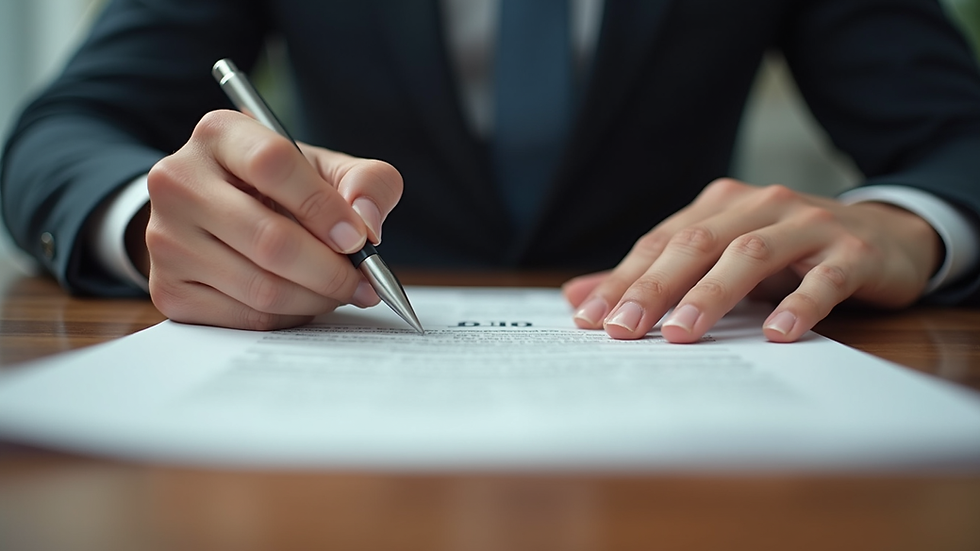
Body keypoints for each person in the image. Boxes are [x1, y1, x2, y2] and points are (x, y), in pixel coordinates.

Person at [3, 0, 980, 344]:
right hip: (346, 377)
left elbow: (957, 138)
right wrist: (153, 222)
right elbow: (65, 131)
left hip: (672, 373)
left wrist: (911, 220)